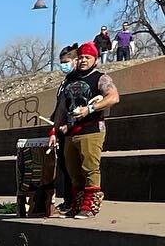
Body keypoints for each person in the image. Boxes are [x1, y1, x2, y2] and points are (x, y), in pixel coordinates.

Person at [49, 40, 119, 216]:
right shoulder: (70, 79)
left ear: (95, 59)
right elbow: (61, 108)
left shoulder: (101, 78)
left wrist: (90, 109)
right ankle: (77, 203)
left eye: (87, 57)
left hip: (92, 129)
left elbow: (113, 97)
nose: (83, 60)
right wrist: (53, 131)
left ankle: (90, 205)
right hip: (71, 131)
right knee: (73, 170)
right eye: (80, 57)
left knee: (90, 167)